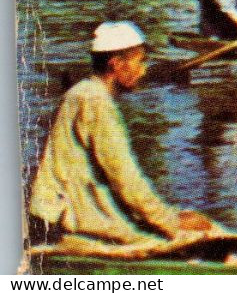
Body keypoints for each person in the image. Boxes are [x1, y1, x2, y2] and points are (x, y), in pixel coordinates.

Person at [29, 22, 216, 249]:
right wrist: (171, 223)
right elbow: (126, 179)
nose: (144, 70)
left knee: (193, 222)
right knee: (200, 238)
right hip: (70, 222)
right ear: (116, 65)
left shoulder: (83, 93)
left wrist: (170, 216)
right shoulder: (95, 103)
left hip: (66, 212)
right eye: (140, 61)